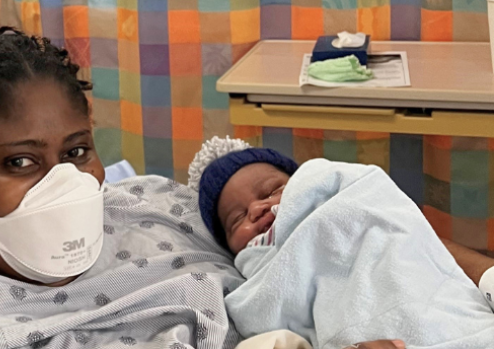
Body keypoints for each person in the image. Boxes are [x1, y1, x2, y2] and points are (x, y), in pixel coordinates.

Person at [0, 28, 407, 349]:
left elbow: (342, 230)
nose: (67, 184)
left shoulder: (151, 203)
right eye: (20, 161)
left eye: (78, 151)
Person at [190, 141, 494, 348]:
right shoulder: (252, 284)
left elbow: (394, 227)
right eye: (236, 219)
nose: (257, 209)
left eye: (271, 191)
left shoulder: (342, 200)